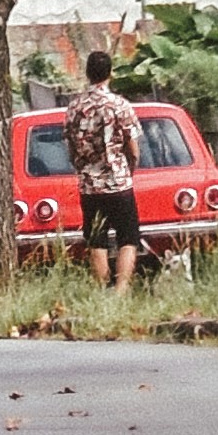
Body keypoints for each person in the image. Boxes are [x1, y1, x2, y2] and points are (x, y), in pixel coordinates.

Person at [64, 49, 146, 293]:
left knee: (96, 240)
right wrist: (129, 169)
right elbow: (133, 148)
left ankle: (101, 289)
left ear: (88, 73)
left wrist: (82, 167)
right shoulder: (119, 105)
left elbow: (70, 148)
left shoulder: (74, 107)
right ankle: (121, 290)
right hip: (118, 182)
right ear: (110, 73)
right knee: (128, 238)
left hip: (89, 185)